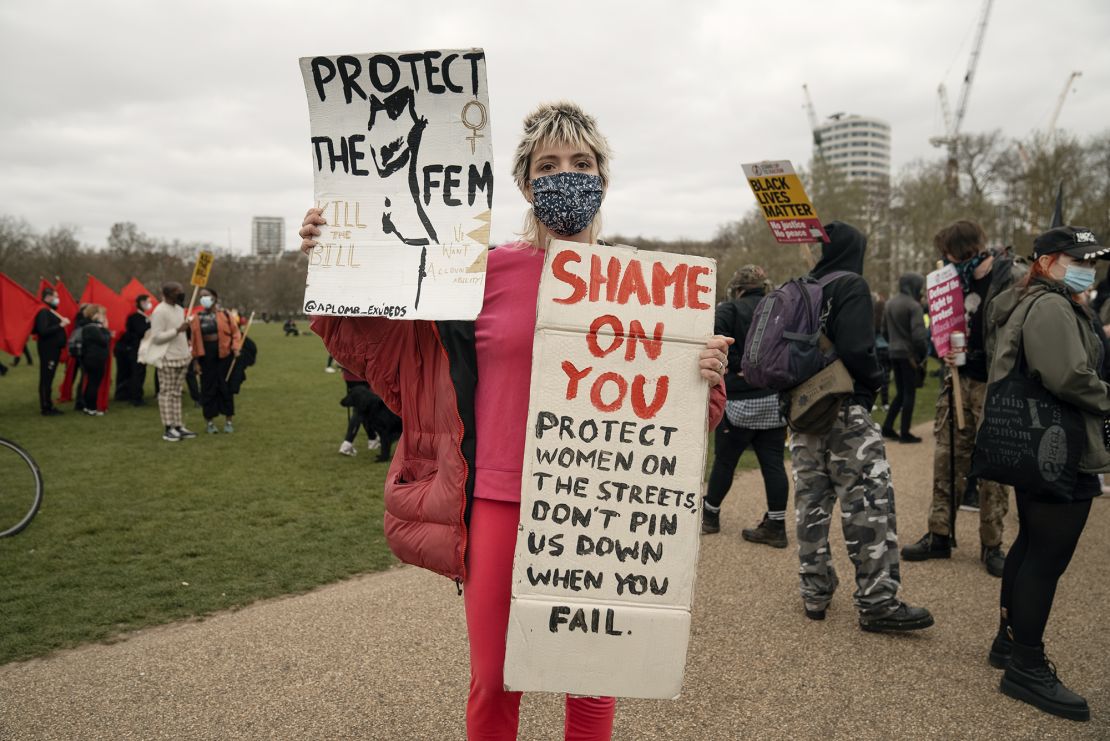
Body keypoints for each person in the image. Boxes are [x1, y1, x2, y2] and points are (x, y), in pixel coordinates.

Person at [304, 100, 729, 740]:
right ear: (525, 182)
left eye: (581, 162)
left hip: (598, 497)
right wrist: (332, 254)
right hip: (499, 496)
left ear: (603, 178)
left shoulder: (643, 283)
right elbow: (390, 341)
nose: (566, 175)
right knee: (495, 678)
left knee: (592, 680)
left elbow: (674, 414)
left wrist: (704, 373)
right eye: (548, 164)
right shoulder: (482, 272)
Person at [983, 225, 1109, 722]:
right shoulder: (1053, 305)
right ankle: (1027, 667)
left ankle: (1008, 641)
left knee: (1031, 544)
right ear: (1047, 261)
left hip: (1034, 444)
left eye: (1092, 259)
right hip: (1060, 447)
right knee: (1047, 556)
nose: (1088, 267)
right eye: (1077, 258)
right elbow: (1068, 376)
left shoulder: (1032, 298)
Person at [790, 221, 933, 632]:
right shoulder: (850, 283)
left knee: (811, 506)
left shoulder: (803, 284)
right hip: (843, 410)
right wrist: (874, 381)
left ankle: (814, 594)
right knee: (869, 505)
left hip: (803, 413)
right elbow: (856, 348)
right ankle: (878, 602)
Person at [901, 221, 1011, 577]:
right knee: (947, 458)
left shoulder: (1010, 278)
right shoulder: (951, 281)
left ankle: (992, 543)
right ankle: (939, 534)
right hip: (957, 381)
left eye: (947, 254)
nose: (944, 260)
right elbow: (942, 325)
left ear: (962, 251)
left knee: (994, 466)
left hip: (994, 385)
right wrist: (943, 349)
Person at [702, 265, 790, 548]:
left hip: (738, 401)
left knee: (726, 462)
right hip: (773, 399)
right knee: (774, 464)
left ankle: (711, 516)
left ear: (738, 288)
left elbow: (715, 343)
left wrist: (739, 366)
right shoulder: (781, 309)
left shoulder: (729, 310)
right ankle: (776, 524)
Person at [881, 272, 928, 443]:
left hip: (893, 352)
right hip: (909, 354)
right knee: (909, 393)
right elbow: (919, 337)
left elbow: (884, 331)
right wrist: (922, 355)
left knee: (901, 392)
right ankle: (905, 433)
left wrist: (893, 344)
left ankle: (887, 427)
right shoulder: (914, 306)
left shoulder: (889, 303)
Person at [147, 282, 197, 442]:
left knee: (176, 393)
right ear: (168, 294)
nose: (181, 294)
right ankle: (168, 427)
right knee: (166, 393)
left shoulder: (179, 309)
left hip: (182, 356)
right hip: (168, 357)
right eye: (178, 292)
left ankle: (178, 425)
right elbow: (156, 337)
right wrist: (177, 330)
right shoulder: (160, 311)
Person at [189, 288, 242, 434]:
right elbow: (193, 341)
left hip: (224, 355)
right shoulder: (196, 317)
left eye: (206, 296)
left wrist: (236, 348)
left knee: (225, 388)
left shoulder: (225, 314)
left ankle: (228, 421)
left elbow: (236, 333)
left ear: (215, 298)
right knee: (207, 389)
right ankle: (210, 423)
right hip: (206, 357)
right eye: (201, 297)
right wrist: (195, 361)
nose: (204, 298)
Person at [33, 287, 69, 415]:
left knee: (50, 377)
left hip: (54, 349)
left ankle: (48, 404)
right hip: (48, 349)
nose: (57, 299)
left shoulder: (50, 311)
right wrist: (60, 325)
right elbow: (43, 331)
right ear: (48, 297)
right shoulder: (43, 311)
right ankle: (45, 407)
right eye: (55, 296)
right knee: (46, 377)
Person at [114, 293, 153, 405]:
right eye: (147, 302)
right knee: (137, 373)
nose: (149, 304)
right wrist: (150, 324)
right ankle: (136, 397)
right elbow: (140, 331)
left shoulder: (142, 317)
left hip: (138, 348)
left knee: (136, 372)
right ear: (141, 303)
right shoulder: (135, 317)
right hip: (135, 349)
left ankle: (129, 394)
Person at [336, 364, 381, 457]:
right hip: (362, 374)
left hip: (350, 374)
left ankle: (372, 439)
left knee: (364, 408)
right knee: (360, 409)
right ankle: (347, 444)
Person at [78, 304, 111, 416]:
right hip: (95, 359)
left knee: (91, 383)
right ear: (95, 315)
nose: (103, 317)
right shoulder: (92, 328)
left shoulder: (89, 327)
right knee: (94, 383)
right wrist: (106, 330)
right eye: (101, 314)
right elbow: (104, 341)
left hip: (90, 358)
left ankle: (87, 407)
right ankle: (92, 408)